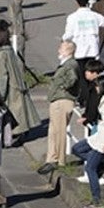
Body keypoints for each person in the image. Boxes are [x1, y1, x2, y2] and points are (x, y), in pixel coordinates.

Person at [71, 75, 104, 208]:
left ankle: (96, 200)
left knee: (90, 169)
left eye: (98, 85)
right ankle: (103, 165)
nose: (96, 87)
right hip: (99, 135)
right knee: (76, 149)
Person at [0, 22, 39, 143]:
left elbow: (2, 76)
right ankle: (21, 132)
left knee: (13, 116)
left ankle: (15, 135)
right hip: (17, 86)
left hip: (11, 90)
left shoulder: (2, 54)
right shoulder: (9, 51)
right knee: (20, 113)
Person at [39, 41, 79, 174]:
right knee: (53, 131)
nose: (58, 50)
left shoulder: (70, 64)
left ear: (68, 50)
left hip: (62, 100)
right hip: (58, 100)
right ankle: (51, 158)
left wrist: (63, 87)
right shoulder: (66, 64)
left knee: (59, 131)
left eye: (61, 48)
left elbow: (72, 79)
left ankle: (59, 160)